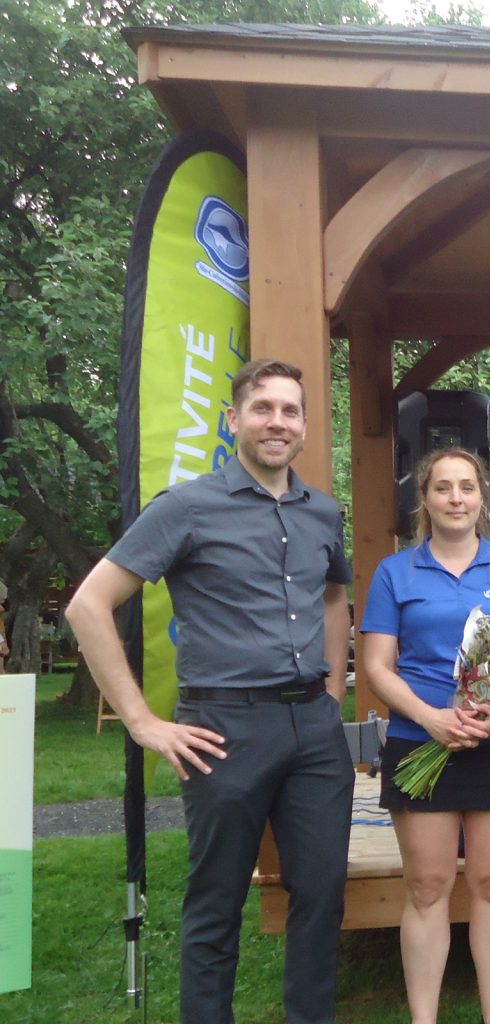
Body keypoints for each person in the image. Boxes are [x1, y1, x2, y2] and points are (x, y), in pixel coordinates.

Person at [65, 358, 353, 1024]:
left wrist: (333, 688)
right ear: (233, 420)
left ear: (305, 425)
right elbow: (88, 605)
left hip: (313, 730)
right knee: (216, 904)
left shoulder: (323, 514)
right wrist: (140, 721)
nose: (277, 421)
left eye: (290, 410)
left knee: (321, 897)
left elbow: (334, 596)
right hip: (222, 731)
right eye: (263, 408)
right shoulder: (187, 507)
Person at [359, 448, 490, 1024]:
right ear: (426, 499)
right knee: (428, 886)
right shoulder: (396, 572)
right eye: (444, 488)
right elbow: (377, 666)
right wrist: (431, 717)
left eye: (467, 487)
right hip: (420, 742)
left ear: (481, 496)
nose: (457, 498)